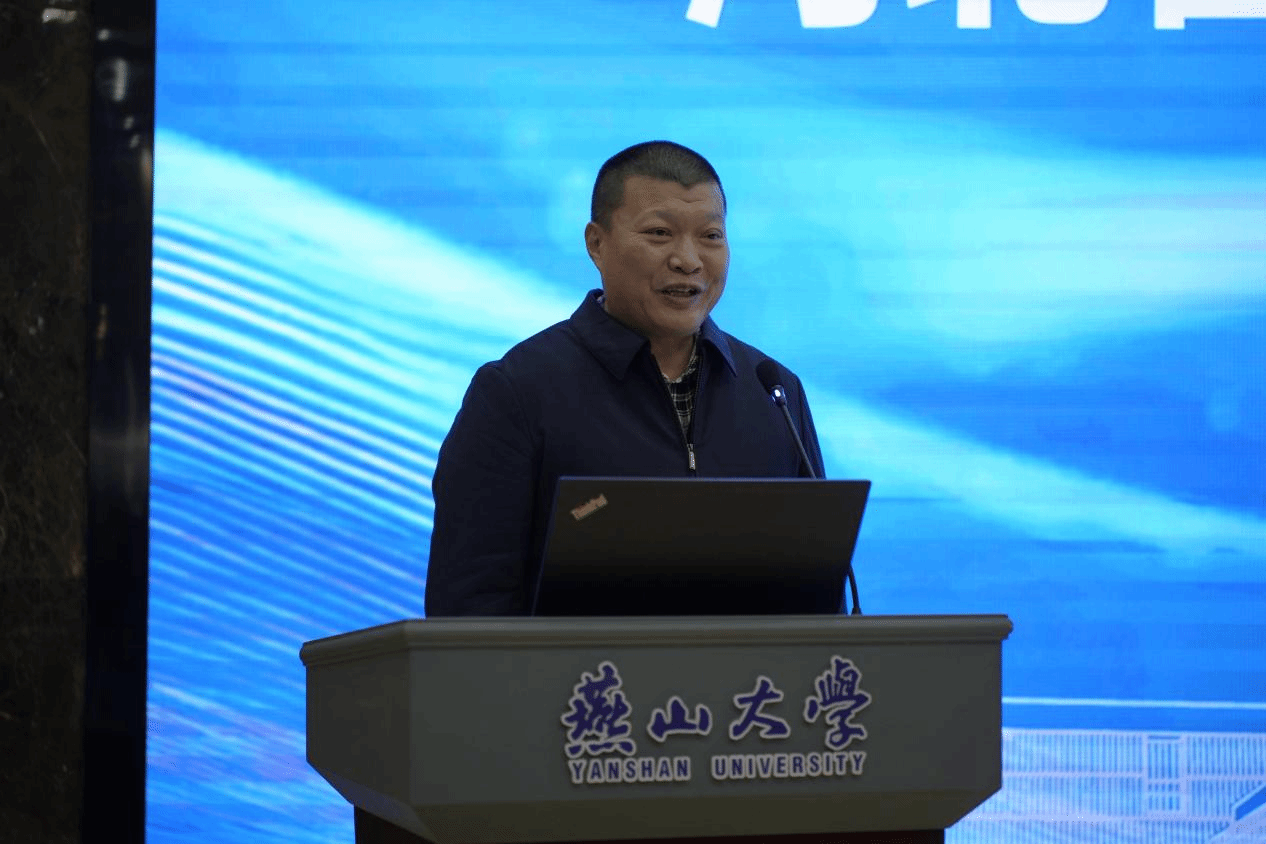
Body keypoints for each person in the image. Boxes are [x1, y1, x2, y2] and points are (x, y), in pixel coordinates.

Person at [425, 141, 824, 616]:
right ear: (597, 244)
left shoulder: (773, 392)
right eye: (659, 233)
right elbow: (467, 609)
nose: (688, 260)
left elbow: (819, 606)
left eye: (711, 236)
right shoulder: (518, 392)